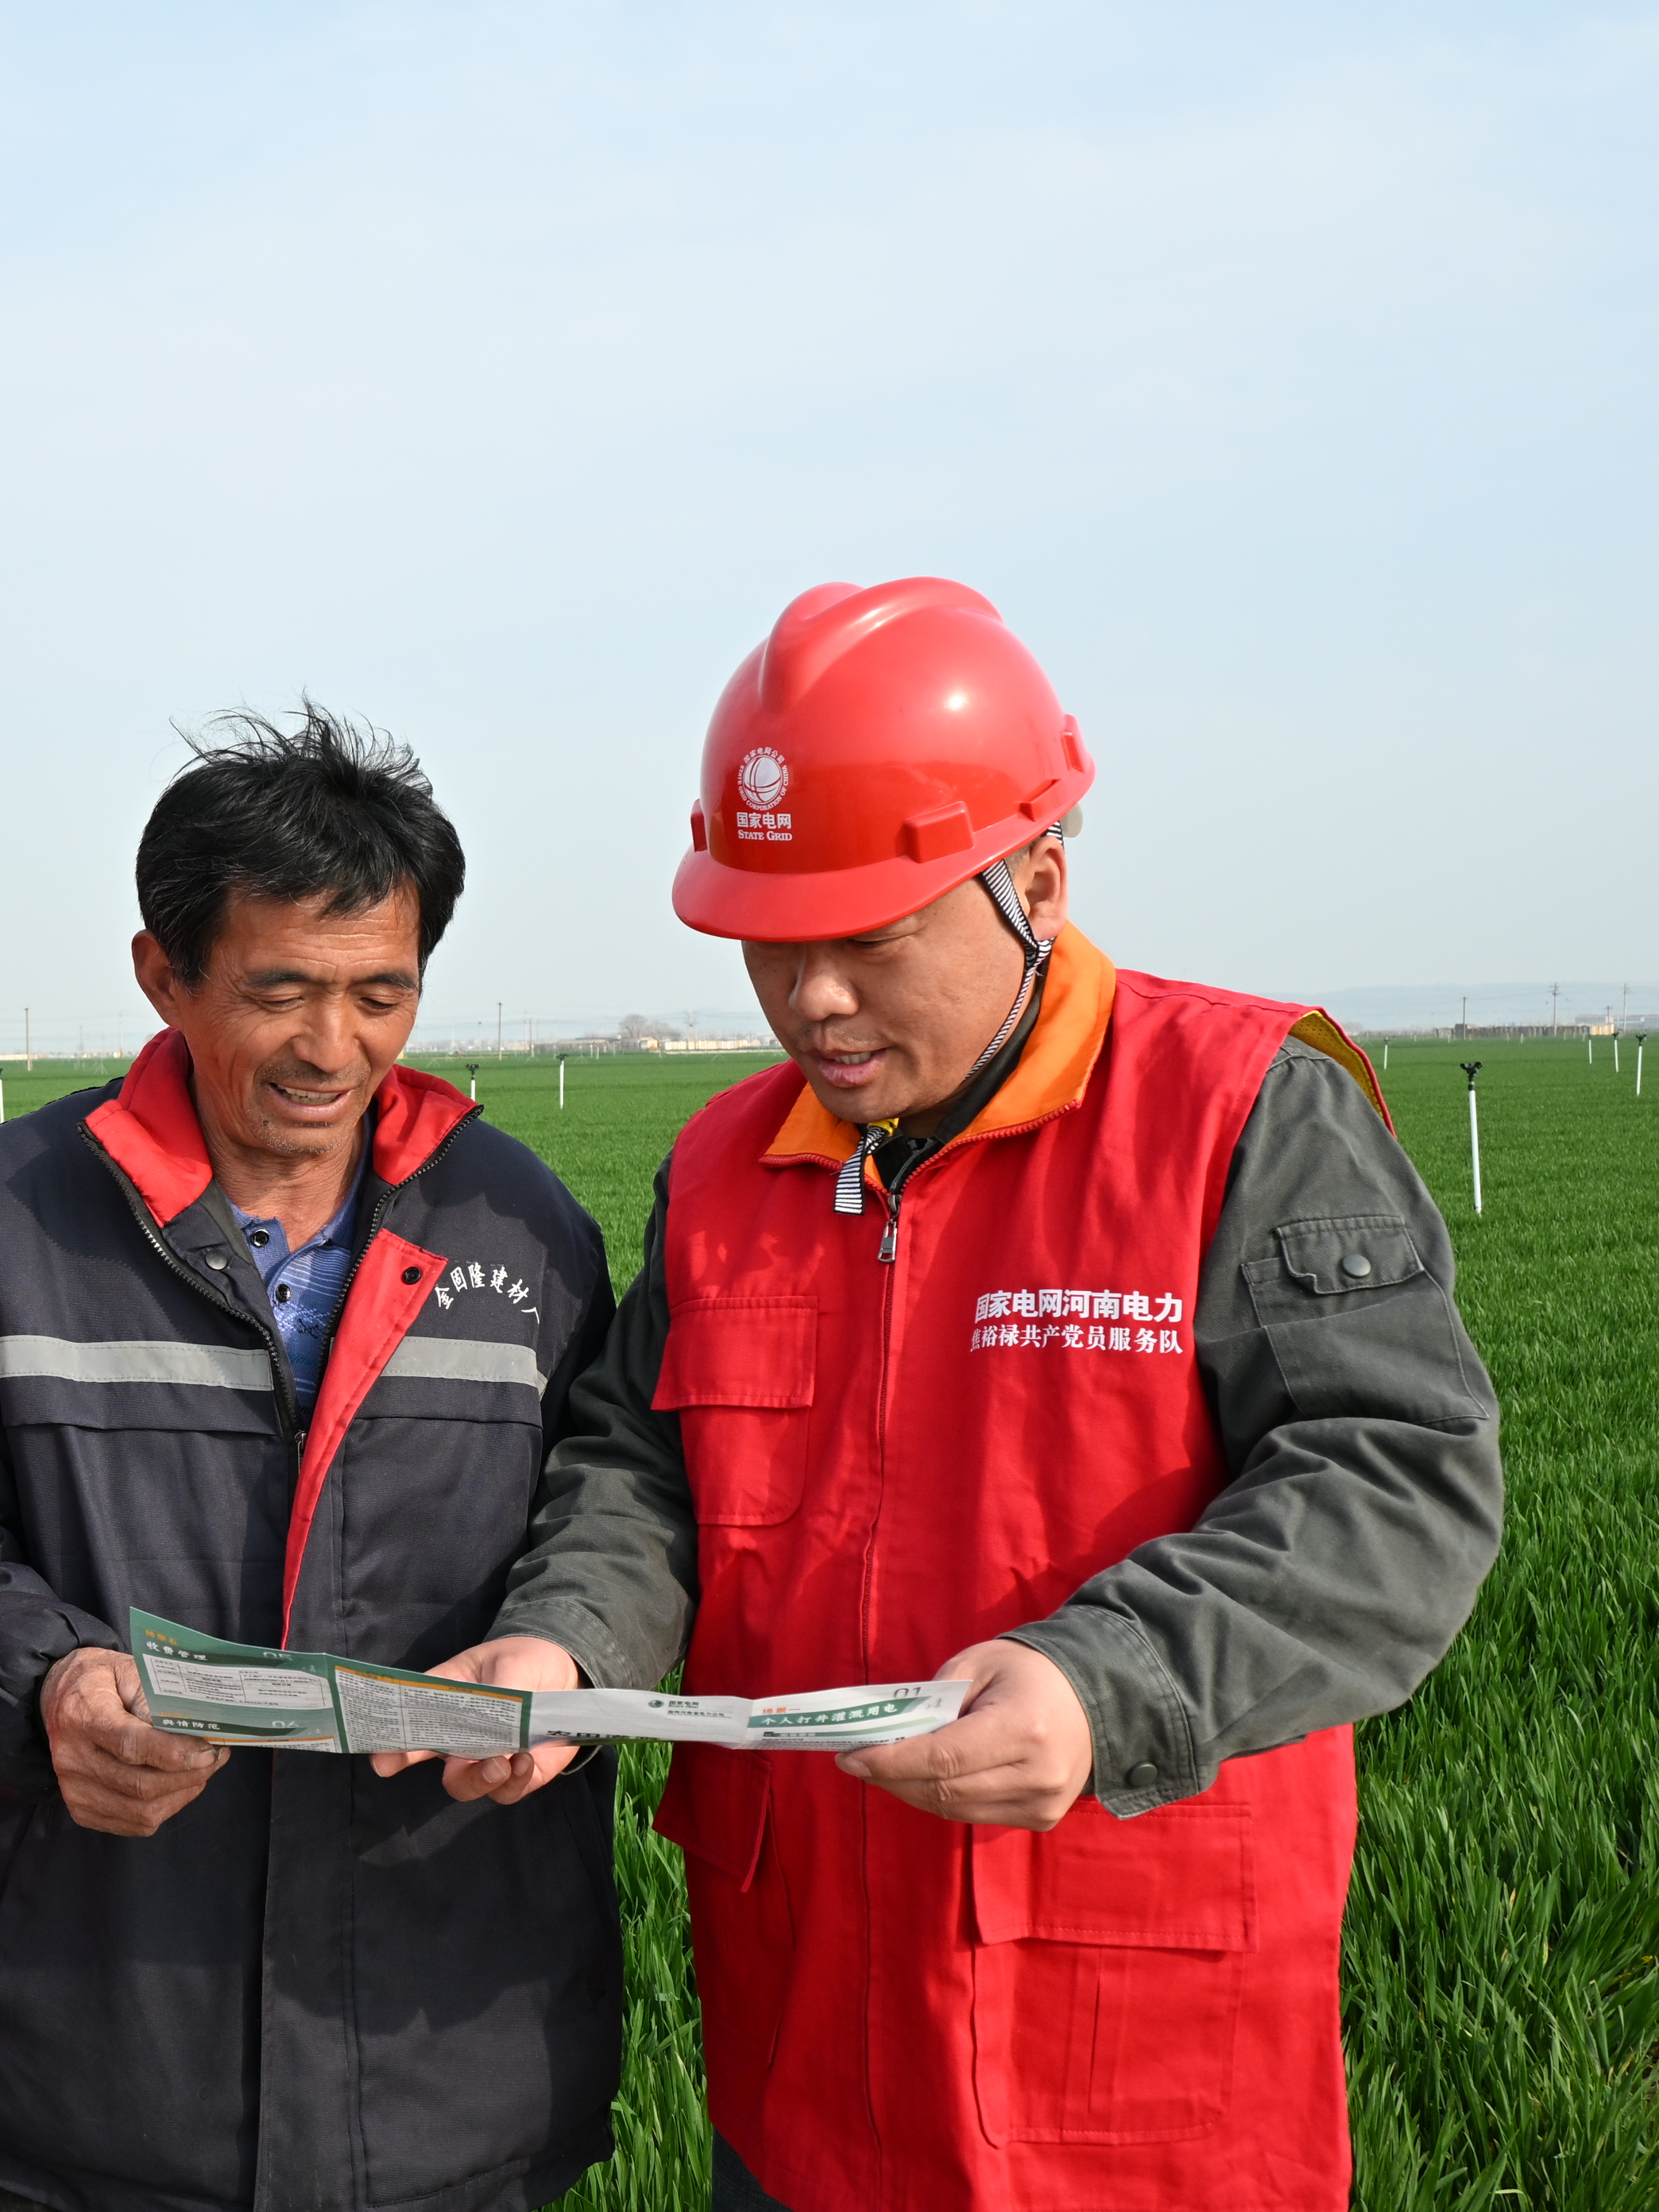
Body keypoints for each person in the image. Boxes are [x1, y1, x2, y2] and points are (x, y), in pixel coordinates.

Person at [425, 578, 1504, 2209]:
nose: (816, 1003)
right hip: (801, 2064)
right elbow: (643, 1463)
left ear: (1040, 887)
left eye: (871, 939)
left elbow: (1396, 1486)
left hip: (1132, 2080)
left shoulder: (1239, 1113)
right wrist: (570, 1637)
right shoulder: (727, 1167)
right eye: (774, 949)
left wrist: (1105, 1686)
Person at [0, 710, 624, 2212]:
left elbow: (617, 1503)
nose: (334, 1048)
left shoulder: (524, 1230)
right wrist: (44, 1685)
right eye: (281, 991)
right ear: (163, 974)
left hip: (454, 2058)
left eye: (383, 993)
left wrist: (568, 1641)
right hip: (86, 2068)